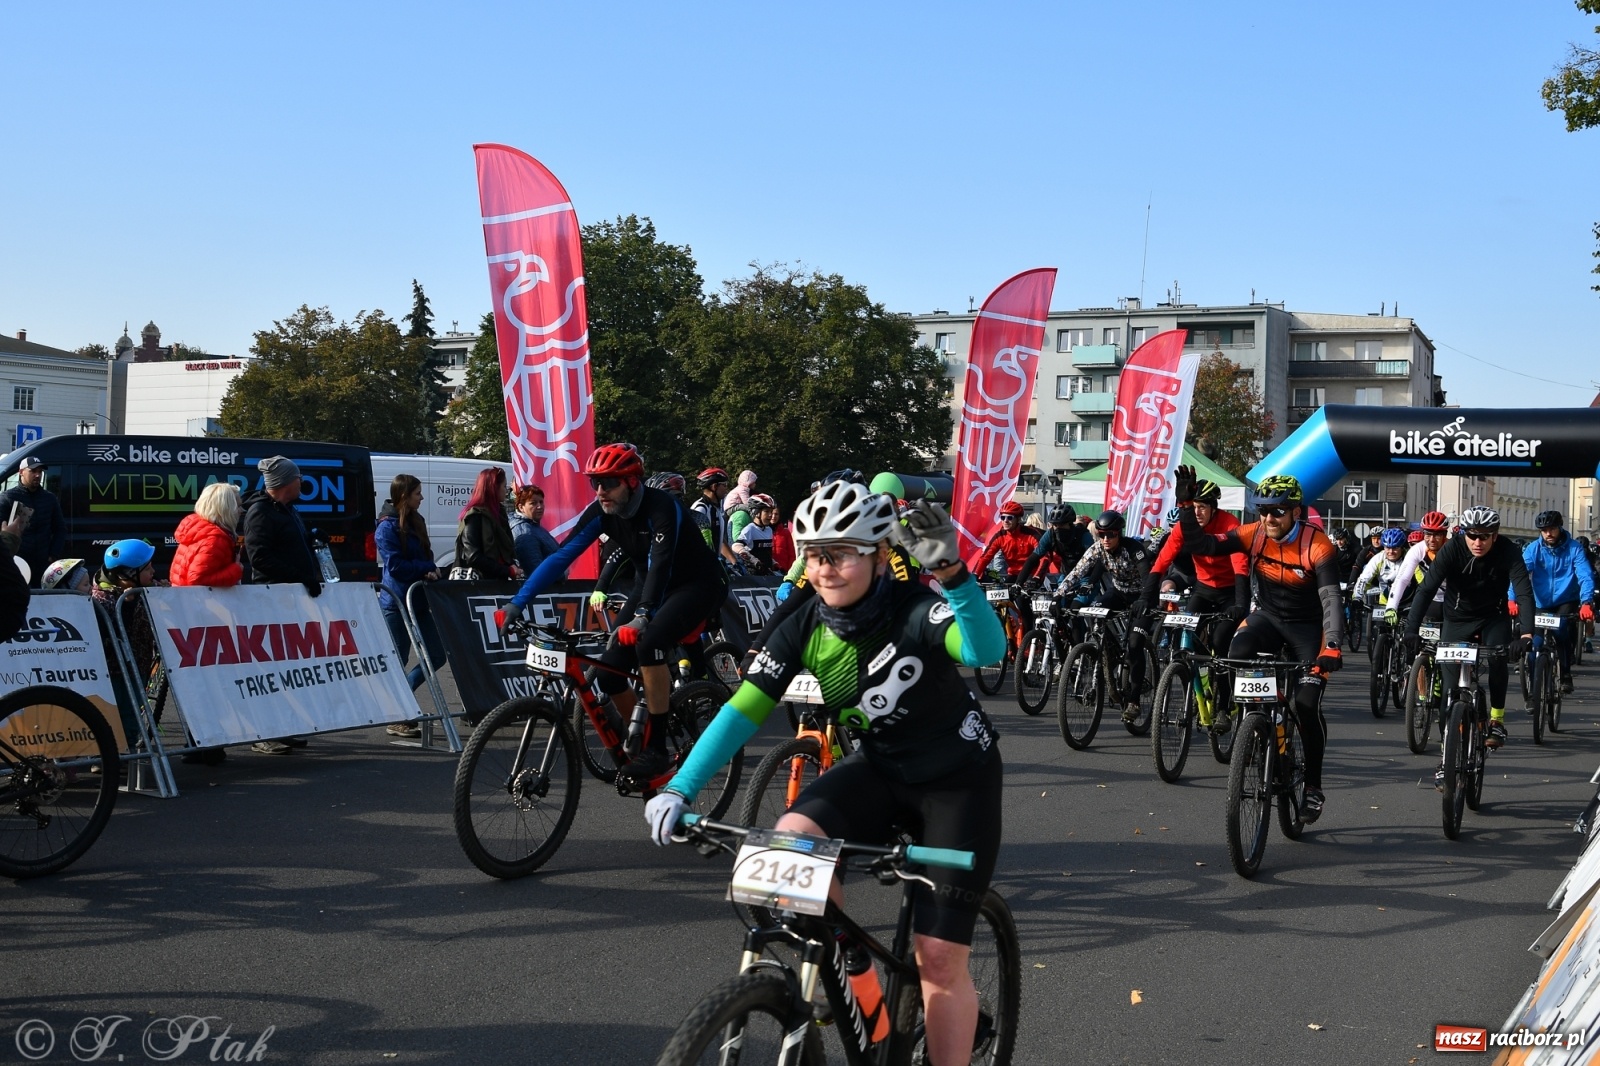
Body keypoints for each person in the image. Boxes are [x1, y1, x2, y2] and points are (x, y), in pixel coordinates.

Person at [642, 485, 1006, 1066]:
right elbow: (744, 709)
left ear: (879, 556)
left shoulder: (914, 608)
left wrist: (956, 575)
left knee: (938, 959)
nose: (824, 568)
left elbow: (987, 650)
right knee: (792, 841)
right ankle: (854, 973)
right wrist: (681, 787)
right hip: (882, 768)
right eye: (814, 554)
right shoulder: (805, 623)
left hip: (958, 783)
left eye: (842, 553)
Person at [499, 443, 727, 784]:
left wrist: (644, 615)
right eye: (595, 483)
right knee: (608, 674)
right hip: (650, 584)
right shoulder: (602, 511)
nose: (600, 491)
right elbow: (562, 557)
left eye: (608, 483)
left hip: (696, 584)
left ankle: (657, 749)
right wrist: (518, 602)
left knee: (649, 642)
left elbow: (661, 564)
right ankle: (637, 737)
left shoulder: (662, 506)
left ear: (632, 482)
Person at [1173, 468, 1344, 824]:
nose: (1268, 517)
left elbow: (1330, 599)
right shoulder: (1254, 534)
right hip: (1267, 618)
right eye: (1262, 510)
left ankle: (1312, 786)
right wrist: (1186, 506)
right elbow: (1202, 545)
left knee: (1306, 703)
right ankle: (1258, 723)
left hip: (1307, 629)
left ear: (1295, 511)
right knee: (1235, 657)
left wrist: (1331, 646)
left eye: (1277, 510)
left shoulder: (1318, 545)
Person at [1405, 506, 1534, 762]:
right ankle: (1446, 759)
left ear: (1495, 536)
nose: (1477, 542)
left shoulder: (1508, 550)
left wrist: (1526, 634)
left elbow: (1523, 592)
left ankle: (1496, 720)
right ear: (1463, 533)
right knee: (1449, 693)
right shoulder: (1452, 549)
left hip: (1492, 617)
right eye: (1472, 535)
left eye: (1484, 536)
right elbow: (1426, 589)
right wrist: (1411, 628)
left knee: (1499, 658)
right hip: (1457, 618)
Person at [1140, 478, 1249, 697]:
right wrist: (1145, 597)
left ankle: (1224, 702)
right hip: (1204, 588)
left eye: (1202, 507)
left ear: (1213, 508)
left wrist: (1241, 604)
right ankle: (1203, 674)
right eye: (1193, 507)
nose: (1197, 512)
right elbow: (1162, 562)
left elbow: (1241, 566)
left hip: (1230, 591)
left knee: (1220, 641)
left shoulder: (1230, 525)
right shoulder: (1184, 526)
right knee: (1187, 633)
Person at [241, 456, 320, 753]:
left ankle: (283, 726)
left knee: (288, 668)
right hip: (271, 598)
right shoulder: (261, 512)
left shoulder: (289, 509)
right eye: (299, 477)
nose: (303, 482)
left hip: (290, 598)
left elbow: (291, 545)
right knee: (269, 669)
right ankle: (262, 732)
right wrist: (299, 576)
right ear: (287, 482)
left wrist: (312, 540)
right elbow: (259, 558)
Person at [1056, 509, 1156, 723]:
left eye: (1111, 534)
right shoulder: (1097, 549)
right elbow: (1077, 572)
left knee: (1135, 644)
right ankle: (1108, 652)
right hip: (1119, 593)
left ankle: (1134, 701)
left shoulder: (1134, 549)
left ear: (1119, 533)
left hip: (1143, 596)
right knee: (1094, 610)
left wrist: (1145, 599)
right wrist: (1058, 596)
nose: (1106, 539)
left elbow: (1148, 576)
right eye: (1101, 535)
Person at [375, 474, 446, 730]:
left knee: (437, 654)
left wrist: (431, 569)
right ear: (404, 496)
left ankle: (403, 696)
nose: (422, 497)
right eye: (418, 493)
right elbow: (395, 567)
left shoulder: (418, 521)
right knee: (399, 658)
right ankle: (398, 714)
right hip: (396, 602)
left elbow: (426, 556)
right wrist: (425, 568)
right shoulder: (386, 527)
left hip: (418, 599)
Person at [1516, 510, 1594, 697]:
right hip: (1540, 601)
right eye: (1544, 530)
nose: (1548, 533)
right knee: (1535, 644)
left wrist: (1586, 602)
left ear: (1560, 528)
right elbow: (1519, 575)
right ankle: (1534, 691)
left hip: (1566, 600)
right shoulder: (1533, 549)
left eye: (1552, 529)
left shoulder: (1574, 548)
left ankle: (1565, 674)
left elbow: (1585, 576)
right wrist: (1512, 598)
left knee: (1561, 633)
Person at [3, 455, 65, 587]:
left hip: (43, 564)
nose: (37, 475)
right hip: (18, 563)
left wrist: (53, 555)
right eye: (33, 471)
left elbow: (60, 529)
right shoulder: (8, 497)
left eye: (40, 471)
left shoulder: (49, 499)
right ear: (21, 472)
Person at [453, 467, 522, 582]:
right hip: (478, 585)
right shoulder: (474, 516)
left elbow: (505, 552)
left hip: (497, 581)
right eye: (504, 486)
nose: (507, 490)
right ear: (494, 488)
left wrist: (512, 566)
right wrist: (507, 570)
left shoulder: (499, 514)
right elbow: (473, 556)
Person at [170, 483, 244, 588]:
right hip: (199, 602)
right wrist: (236, 570)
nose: (241, 511)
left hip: (184, 599)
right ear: (226, 509)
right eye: (238, 506)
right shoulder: (215, 539)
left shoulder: (198, 529)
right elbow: (197, 579)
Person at [1019, 503, 1093, 591]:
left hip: (1085, 576)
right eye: (1055, 525)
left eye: (1061, 525)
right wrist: (1018, 583)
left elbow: (1095, 561)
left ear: (1070, 524)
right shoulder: (1050, 534)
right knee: (1056, 602)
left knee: (1076, 603)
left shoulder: (1083, 535)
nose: (1057, 528)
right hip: (1067, 574)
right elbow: (1033, 559)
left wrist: (1089, 583)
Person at [970, 501, 1039, 581]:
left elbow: (1044, 558)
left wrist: (1038, 577)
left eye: (1009, 518)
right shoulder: (999, 536)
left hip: (1032, 574)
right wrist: (975, 575)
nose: (1005, 521)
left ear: (1018, 519)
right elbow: (985, 558)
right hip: (1013, 574)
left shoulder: (1032, 534)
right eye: (1003, 517)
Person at [509, 484, 560, 577]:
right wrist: (561, 575)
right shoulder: (524, 533)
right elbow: (535, 570)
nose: (539, 506)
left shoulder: (533, 526)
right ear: (521, 507)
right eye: (533, 503)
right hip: (545, 589)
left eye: (541, 502)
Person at [690, 467, 737, 568]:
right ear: (714, 486)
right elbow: (694, 540)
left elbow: (719, 538)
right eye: (724, 485)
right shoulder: (700, 508)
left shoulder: (716, 509)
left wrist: (734, 562)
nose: (726, 489)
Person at [733, 494, 777, 574]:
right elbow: (736, 546)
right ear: (756, 512)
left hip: (767, 572)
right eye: (766, 511)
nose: (770, 515)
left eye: (771, 511)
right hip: (754, 574)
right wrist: (753, 560)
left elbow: (765, 553)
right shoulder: (750, 529)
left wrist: (774, 563)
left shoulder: (769, 530)